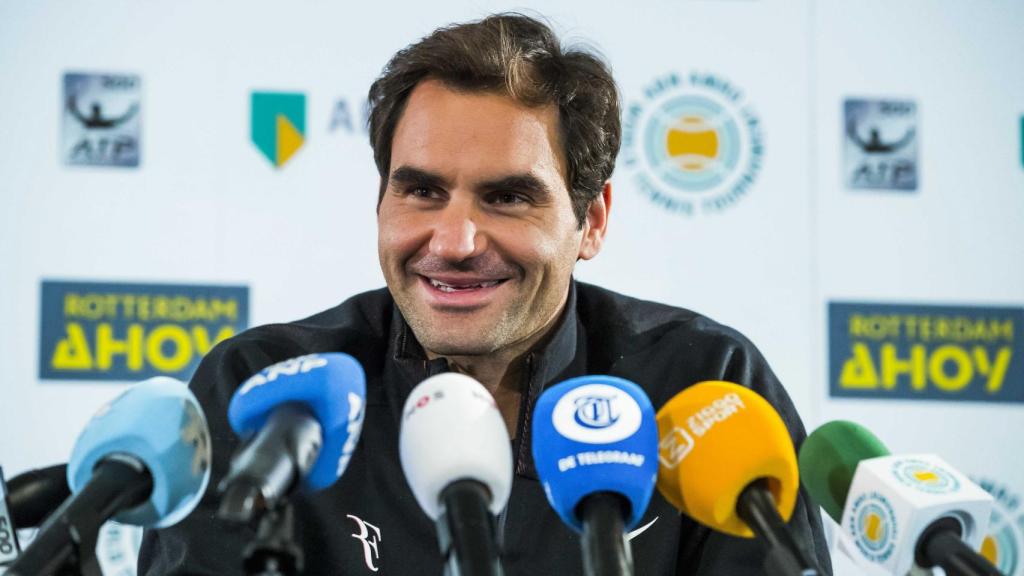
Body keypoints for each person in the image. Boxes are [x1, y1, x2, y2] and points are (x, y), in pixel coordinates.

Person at [139, 13, 832, 575]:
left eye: (506, 197)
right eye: (422, 191)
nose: (455, 241)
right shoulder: (262, 392)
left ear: (591, 221)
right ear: (380, 203)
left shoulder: (704, 386)